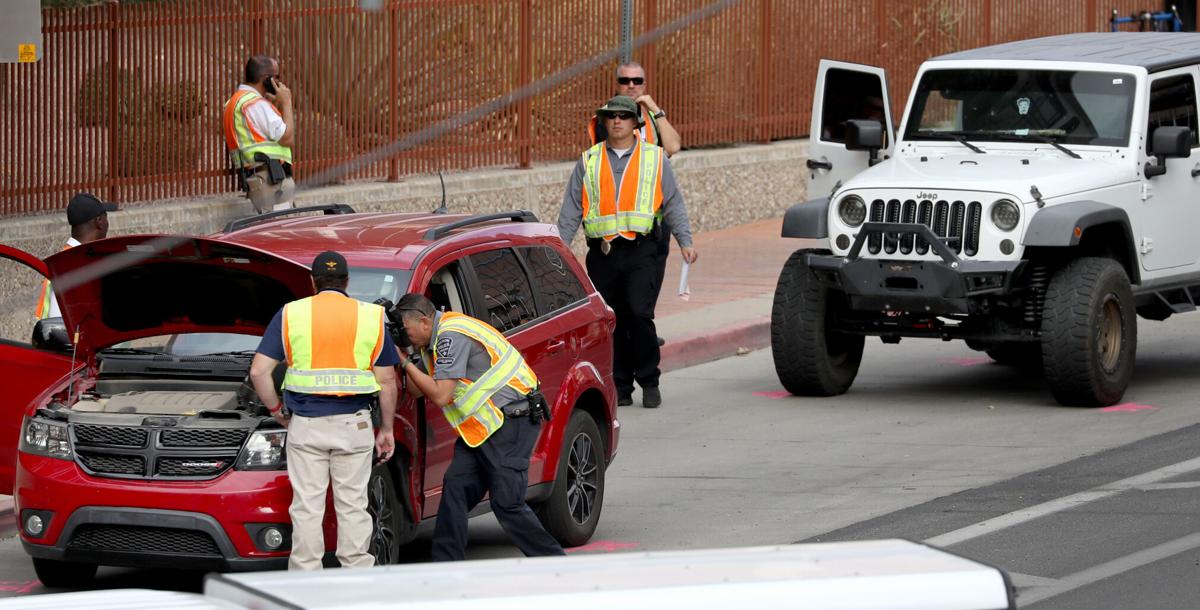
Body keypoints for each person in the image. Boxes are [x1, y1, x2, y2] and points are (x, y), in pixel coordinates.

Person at [249, 251, 399, 571]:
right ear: (347, 281)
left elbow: (259, 372)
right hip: (355, 425)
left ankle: (307, 587)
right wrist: (386, 430)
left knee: (306, 509)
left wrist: (277, 410)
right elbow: (387, 382)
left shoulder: (291, 314)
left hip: (305, 425)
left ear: (312, 282)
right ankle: (358, 588)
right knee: (354, 509)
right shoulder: (370, 317)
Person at [393, 293, 564, 561]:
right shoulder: (430, 343)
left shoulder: (450, 336)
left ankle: (555, 564)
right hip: (482, 429)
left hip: (512, 422)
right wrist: (409, 357)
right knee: (456, 489)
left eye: (406, 330)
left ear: (425, 321)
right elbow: (416, 391)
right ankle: (446, 568)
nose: (406, 335)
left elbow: (440, 395)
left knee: (507, 504)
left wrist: (403, 362)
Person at [559, 95, 698, 409]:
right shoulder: (589, 160)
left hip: (641, 250)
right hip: (603, 253)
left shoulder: (654, 158)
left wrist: (685, 240)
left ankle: (649, 380)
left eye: (624, 116)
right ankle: (620, 385)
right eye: (612, 116)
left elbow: (672, 202)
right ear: (604, 121)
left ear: (636, 122)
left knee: (639, 313)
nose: (617, 121)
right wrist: (560, 249)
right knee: (611, 320)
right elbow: (571, 209)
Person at [223, 54, 296, 213]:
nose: (279, 82)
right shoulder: (256, 104)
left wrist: (275, 104)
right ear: (266, 79)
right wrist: (287, 102)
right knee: (280, 231)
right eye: (277, 77)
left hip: (259, 178)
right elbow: (287, 138)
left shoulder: (235, 102)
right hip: (271, 181)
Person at [35, 192, 118, 320]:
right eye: (106, 217)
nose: (108, 223)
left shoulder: (66, 260)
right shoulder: (71, 265)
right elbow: (59, 326)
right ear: (100, 222)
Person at [587, 62, 681, 156]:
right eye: (625, 81)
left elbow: (673, 147)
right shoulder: (608, 115)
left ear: (644, 86)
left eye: (637, 81)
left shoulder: (651, 114)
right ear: (616, 85)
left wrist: (656, 110)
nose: (631, 86)